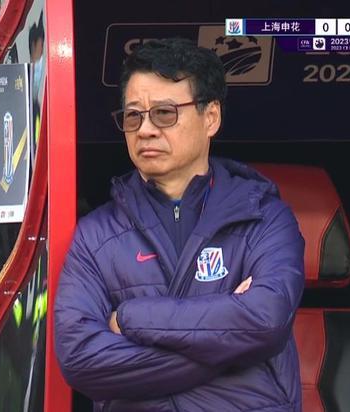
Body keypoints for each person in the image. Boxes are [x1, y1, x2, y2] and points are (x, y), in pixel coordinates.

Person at [54, 37, 305, 411]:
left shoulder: (264, 216)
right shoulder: (96, 235)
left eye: (164, 113)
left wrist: (129, 317)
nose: (145, 130)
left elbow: (266, 321)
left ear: (211, 117)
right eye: (133, 116)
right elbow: (80, 359)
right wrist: (229, 344)